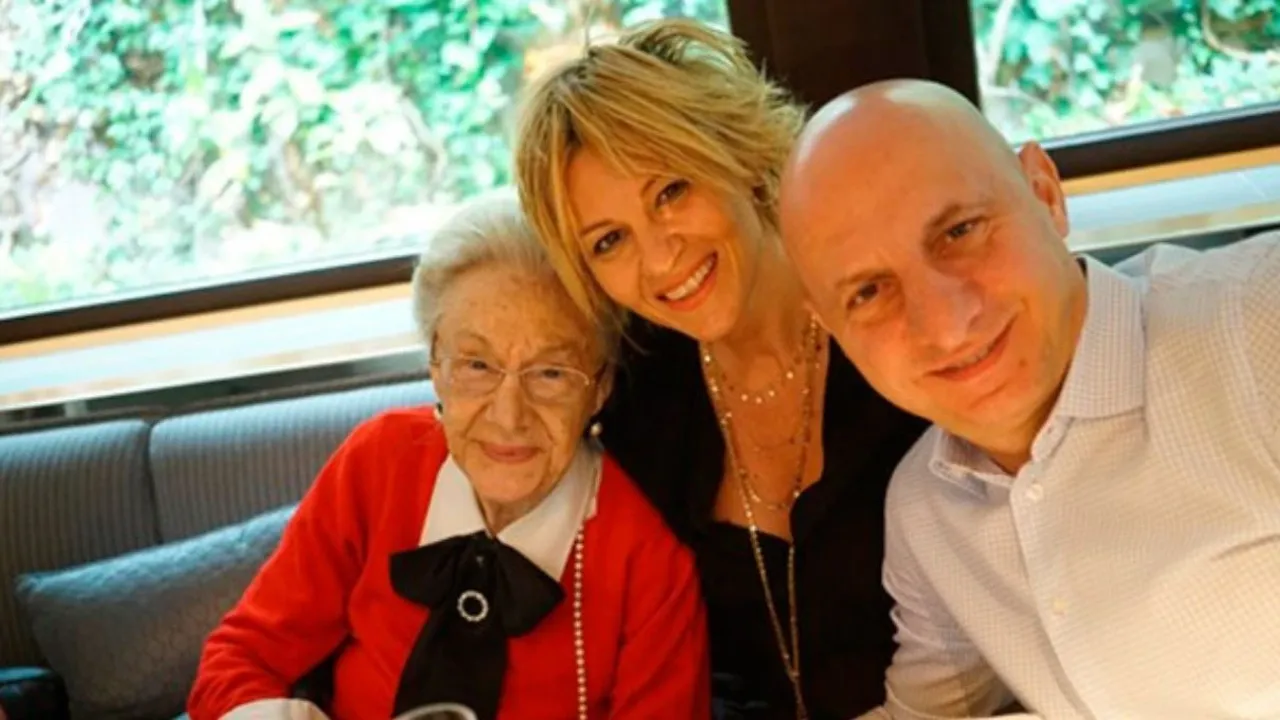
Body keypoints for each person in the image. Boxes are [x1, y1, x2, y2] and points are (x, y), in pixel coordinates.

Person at [778, 78, 1280, 719]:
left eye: (960, 231)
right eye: (869, 292)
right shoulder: (925, 510)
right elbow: (926, 715)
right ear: (826, 323)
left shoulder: (1259, 325)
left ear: (1045, 193)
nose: (945, 325)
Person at [514, 19, 929, 720]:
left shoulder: (895, 313)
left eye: (671, 192)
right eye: (609, 241)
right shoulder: (636, 404)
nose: (659, 258)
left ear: (736, 151)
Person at [187, 190, 711, 720]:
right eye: (476, 365)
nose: (508, 416)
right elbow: (239, 660)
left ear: (600, 388)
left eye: (551, 373)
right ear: (435, 367)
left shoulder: (650, 564)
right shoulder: (378, 463)